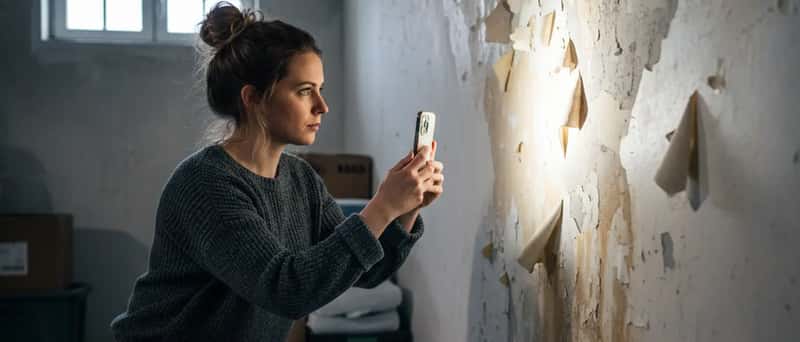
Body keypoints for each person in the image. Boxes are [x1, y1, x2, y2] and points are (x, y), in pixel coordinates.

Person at [109, 3, 444, 341]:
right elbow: (287, 289)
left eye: (321, 89)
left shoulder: (301, 179)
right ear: (253, 98)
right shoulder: (204, 184)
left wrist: (407, 208)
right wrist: (384, 205)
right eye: (304, 91)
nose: (322, 107)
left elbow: (363, 271)